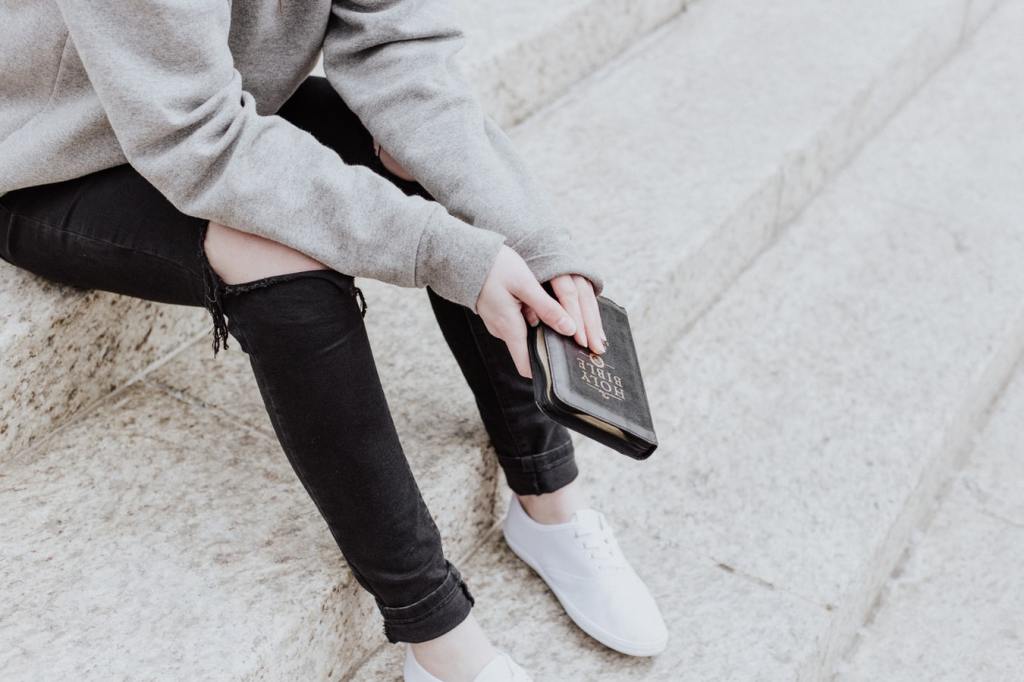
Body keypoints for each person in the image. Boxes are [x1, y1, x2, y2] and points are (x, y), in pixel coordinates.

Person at [0, 1, 667, 680]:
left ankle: (550, 502)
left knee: (438, 164)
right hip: (50, 149)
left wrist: (533, 243)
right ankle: (437, 633)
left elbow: (399, 50)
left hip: (222, 107)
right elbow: (196, 141)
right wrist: (445, 253)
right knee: (281, 262)